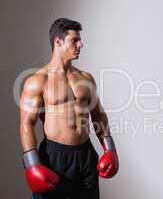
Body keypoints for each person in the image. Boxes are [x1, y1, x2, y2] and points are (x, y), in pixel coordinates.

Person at [19, 18, 119, 199]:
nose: (81, 44)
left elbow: (98, 115)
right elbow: (26, 124)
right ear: (58, 42)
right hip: (54, 157)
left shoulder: (85, 78)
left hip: (86, 155)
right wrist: (32, 164)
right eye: (74, 40)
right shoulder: (38, 81)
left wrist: (109, 148)